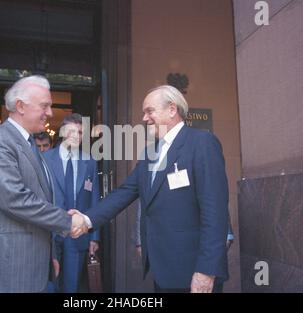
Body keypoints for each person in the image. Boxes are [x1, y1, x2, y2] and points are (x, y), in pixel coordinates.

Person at [71, 85, 230, 293]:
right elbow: (124, 192)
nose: (144, 118)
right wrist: (86, 219)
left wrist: (207, 270)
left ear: (172, 110)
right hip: (161, 270)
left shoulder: (202, 143)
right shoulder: (150, 153)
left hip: (194, 272)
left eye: (149, 111)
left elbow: (215, 213)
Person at [0, 75, 86, 293]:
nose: (50, 113)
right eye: (45, 106)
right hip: (7, 268)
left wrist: (50, 254)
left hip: (34, 267)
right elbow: (14, 199)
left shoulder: (32, 146)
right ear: (20, 106)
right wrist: (66, 220)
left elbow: (41, 200)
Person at [43, 113, 100, 293]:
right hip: (48, 232)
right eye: (71, 131)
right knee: (48, 285)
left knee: (72, 286)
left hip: (77, 233)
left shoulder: (89, 162)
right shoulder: (45, 159)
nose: (76, 136)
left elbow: (94, 200)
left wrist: (94, 236)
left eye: (80, 132)